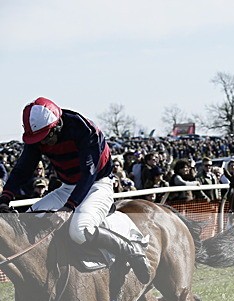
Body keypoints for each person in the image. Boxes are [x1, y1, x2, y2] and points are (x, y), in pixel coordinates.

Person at [0, 97, 149, 282]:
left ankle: (130, 249)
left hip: (97, 184)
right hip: (68, 186)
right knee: (29, 221)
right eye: (38, 139)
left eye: (46, 136)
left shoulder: (84, 130)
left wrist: (69, 207)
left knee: (79, 230)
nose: (43, 143)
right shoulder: (38, 135)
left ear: (57, 125)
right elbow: (23, 168)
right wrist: (5, 198)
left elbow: (89, 173)